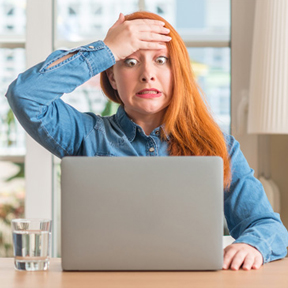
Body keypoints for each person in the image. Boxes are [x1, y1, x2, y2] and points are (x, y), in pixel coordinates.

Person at [5, 11, 288, 271]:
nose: (147, 74)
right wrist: (107, 49)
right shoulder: (86, 135)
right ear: (113, 78)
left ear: (177, 73)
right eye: (130, 61)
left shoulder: (219, 146)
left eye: (161, 60)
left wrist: (252, 246)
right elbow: (25, 95)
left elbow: (267, 225)